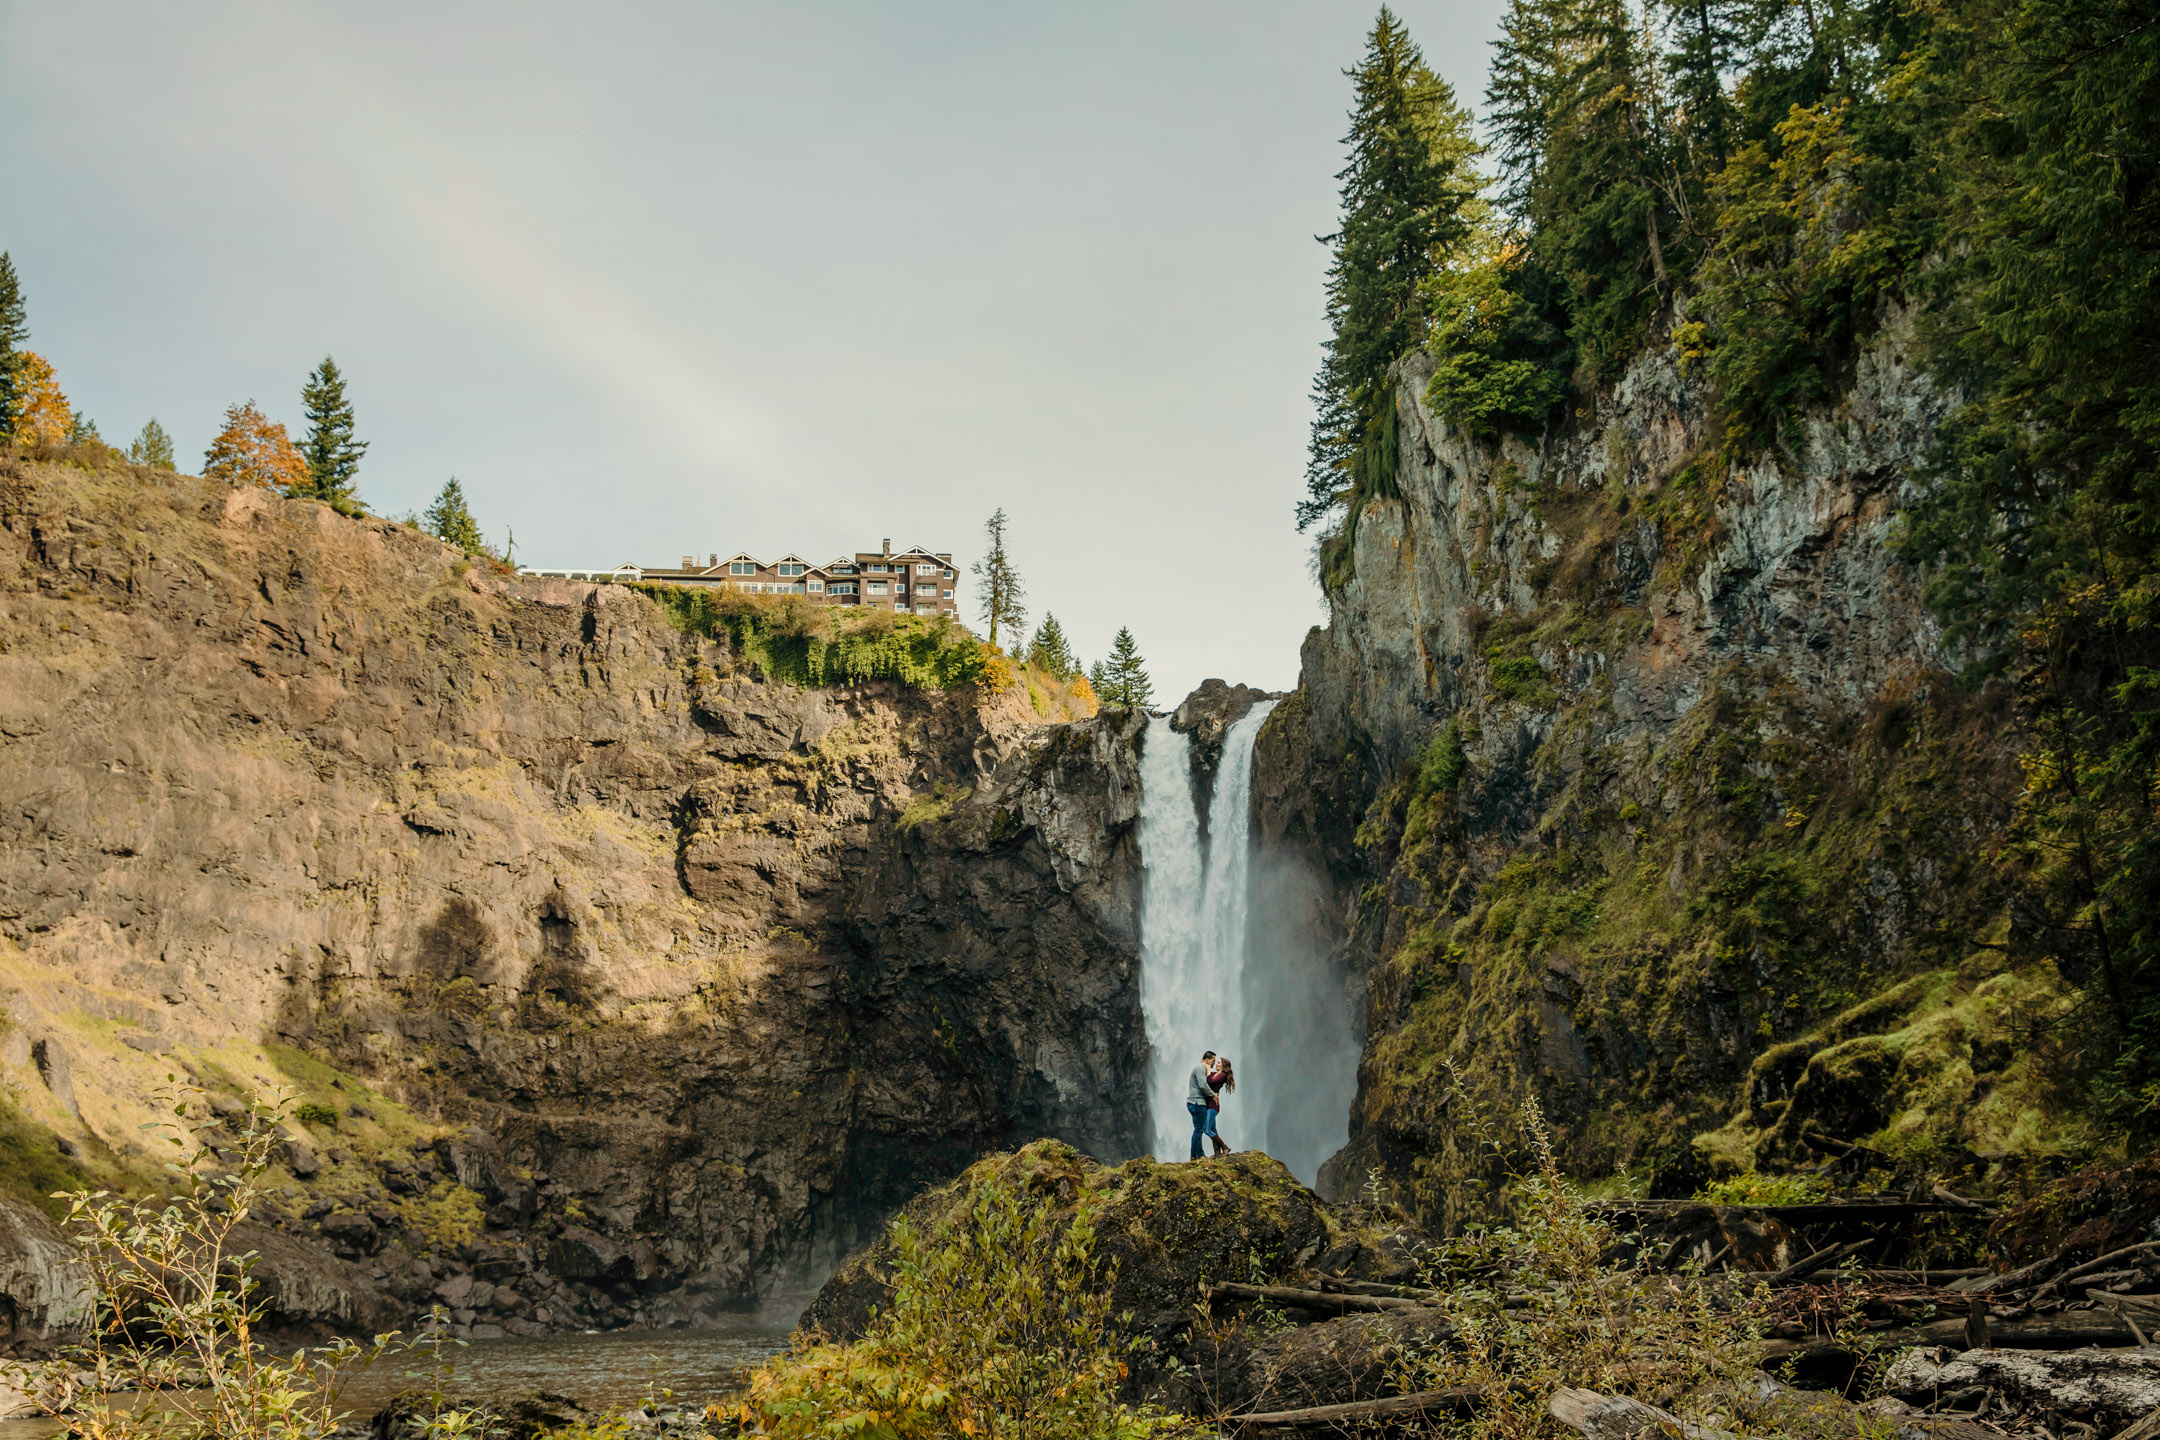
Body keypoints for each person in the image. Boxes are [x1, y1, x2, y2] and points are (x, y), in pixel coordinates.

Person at [1186, 1050, 1217, 1159]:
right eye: (1213, 1060)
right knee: (1199, 1129)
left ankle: (1194, 1156)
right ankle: (1199, 1154)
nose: (1214, 1063)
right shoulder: (1200, 1069)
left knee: (1197, 1129)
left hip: (1194, 1102)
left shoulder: (1201, 1069)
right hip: (1197, 1103)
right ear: (1207, 1060)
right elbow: (1203, 1085)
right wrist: (1213, 1095)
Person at [1206, 1057, 1236, 1155]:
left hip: (1213, 1106)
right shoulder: (1215, 1074)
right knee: (1213, 1130)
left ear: (1223, 1066)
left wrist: (1208, 1069)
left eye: (1218, 1062)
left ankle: (1224, 1147)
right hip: (1209, 1104)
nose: (1216, 1064)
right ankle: (1217, 1153)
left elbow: (1210, 1081)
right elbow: (1207, 1079)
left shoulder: (1223, 1075)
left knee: (1207, 1130)